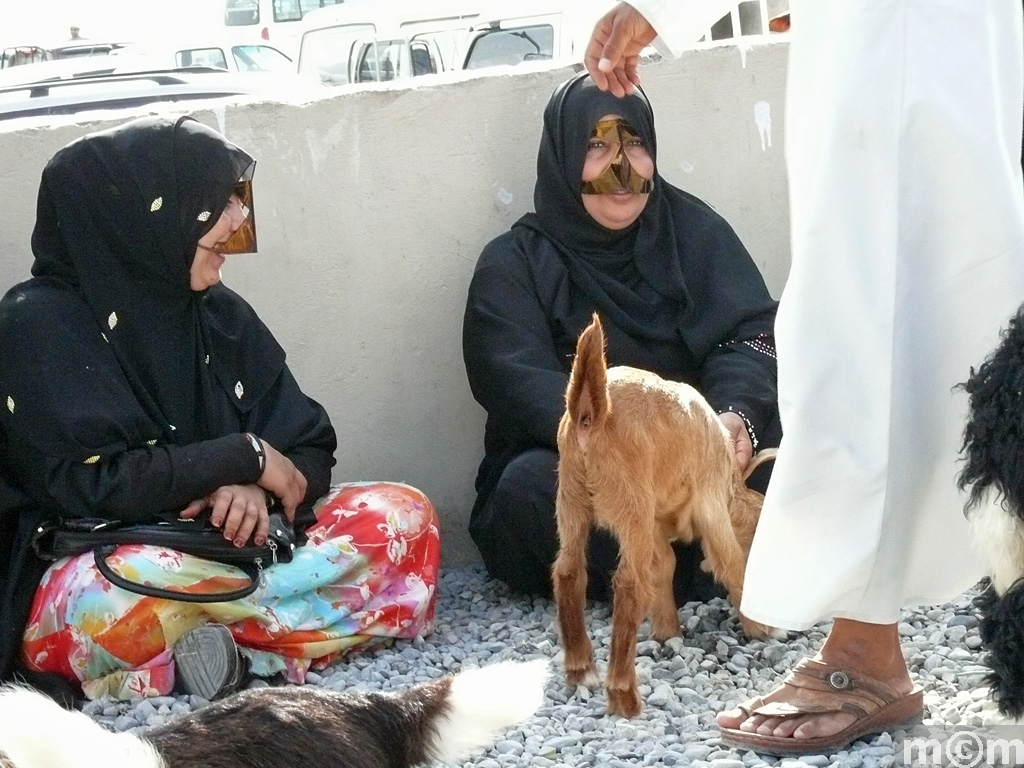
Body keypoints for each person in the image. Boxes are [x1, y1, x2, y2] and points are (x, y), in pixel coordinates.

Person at [585, 0, 1024, 756]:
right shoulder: (524, 259)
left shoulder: (694, 236)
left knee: (874, 321)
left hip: (905, 39)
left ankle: (863, 648)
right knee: (952, 309)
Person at [0, 115, 441, 702]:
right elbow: (86, 485)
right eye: (214, 204)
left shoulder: (218, 313)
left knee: (404, 515)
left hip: (237, 552)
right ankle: (284, 638)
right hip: (118, 561)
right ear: (142, 215)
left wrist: (255, 491)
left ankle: (214, 656)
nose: (235, 222)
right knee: (100, 604)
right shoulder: (39, 325)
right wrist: (241, 456)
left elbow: (307, 441)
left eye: (234, 201)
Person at [462, 71, 779, 606]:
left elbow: (748, 335)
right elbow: (513, 382)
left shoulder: (694, 233)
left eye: (634, 144)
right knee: (527, 490)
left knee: (810, 433)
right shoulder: (515, 264)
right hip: (599, 469)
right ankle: (720, 562)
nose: (621, 167)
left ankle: (698, 560)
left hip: (705, 461)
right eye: (597, 146)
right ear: (562, 157)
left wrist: (732, 420)